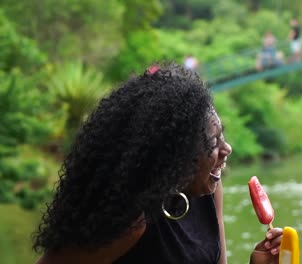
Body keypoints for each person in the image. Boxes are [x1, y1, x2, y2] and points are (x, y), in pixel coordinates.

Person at [32, 63, 283, 264]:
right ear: (176, 153)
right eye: (213, 142)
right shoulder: (130, 222)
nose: (227, 149)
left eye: (222, 136)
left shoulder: (209, 191)